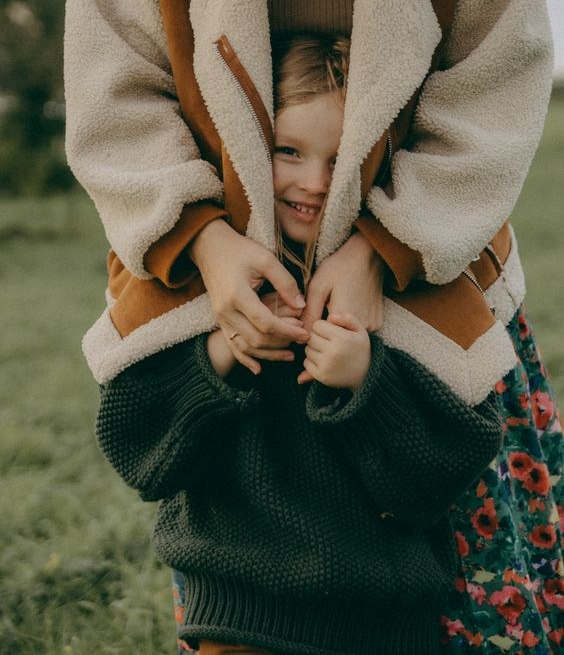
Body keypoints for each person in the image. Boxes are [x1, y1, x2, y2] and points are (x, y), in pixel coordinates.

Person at [63, 0, 562, 651]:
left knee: (476, 609)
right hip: (219, 275)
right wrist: (209, 244)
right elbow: (111, 71)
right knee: (245, 580)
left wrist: (386, 247)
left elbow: (498, 73)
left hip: (429, 269)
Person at [95, 34, 505, 654]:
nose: (314, 182)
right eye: (288, 150)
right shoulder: (211, 286)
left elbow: (441, 473)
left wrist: (368, 382)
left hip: (387, 621)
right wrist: (217, 359)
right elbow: (138, 450)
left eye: (342, 160)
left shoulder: (408, 285)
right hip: (233, 616)